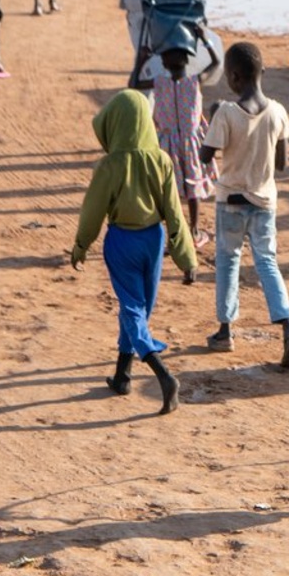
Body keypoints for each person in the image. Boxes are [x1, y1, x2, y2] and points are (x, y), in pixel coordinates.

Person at [71, 90, 197, 414]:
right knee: (139, 308)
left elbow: (93, 211)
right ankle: (122, 374)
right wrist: (186, 258)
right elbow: (174, 212)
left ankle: (162, 373)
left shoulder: (110, 164)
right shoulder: (162, 160)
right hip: (153, 242)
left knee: (132, 309)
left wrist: (81, 245)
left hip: (122, 242)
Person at [199, 43, 289, 368]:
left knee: (228, 262)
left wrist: (213, 119)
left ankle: (225, 331)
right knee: (267, 263)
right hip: (264, 201)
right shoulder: (278, 112)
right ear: (263, 73)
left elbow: (205, 155)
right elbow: (281, 164)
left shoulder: (226, 112)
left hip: (230, 200)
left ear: (233, 77)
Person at [133, 25, 219, 250]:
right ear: (188, 59)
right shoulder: (195, 81)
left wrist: (141, 60)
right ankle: (193, 229)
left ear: (162, 62)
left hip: (167, 144)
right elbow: (216, 63)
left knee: (166, 191)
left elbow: (134, 83)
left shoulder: (158, 83)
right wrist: (204, 40)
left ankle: (173, 234)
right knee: (193, 189)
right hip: (192, 144)